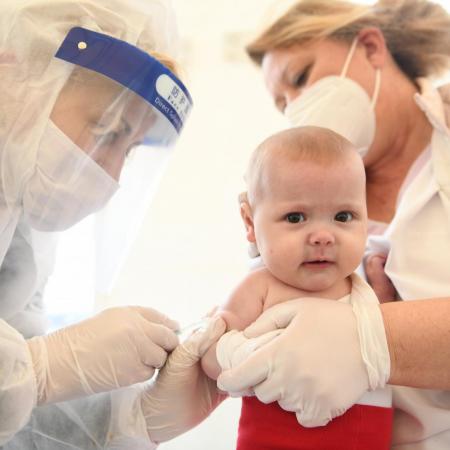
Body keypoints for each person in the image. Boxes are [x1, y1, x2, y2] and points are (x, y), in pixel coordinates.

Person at [210, 1, 450, 449]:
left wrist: (376, 338)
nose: (297, 107)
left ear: (371, 47)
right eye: (282, 103)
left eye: (301, 78)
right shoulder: (296, 201)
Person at [0, 0, 226, 448]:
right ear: (13, 76)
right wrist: (44, 367)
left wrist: (129, 418)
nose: (112, 175)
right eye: (105, 131)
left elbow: (17, 423)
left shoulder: (21, 232)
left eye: (131, 148)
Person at [201, 126, 393, 449]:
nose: (322, 236)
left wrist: (384, 296)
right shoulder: (260, 287)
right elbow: (211, 355)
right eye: (295, 218)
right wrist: (245, 353)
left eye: (343, 216)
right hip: (275, 437)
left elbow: (387, 337)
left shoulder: (363, 287)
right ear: (250, 223)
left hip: (365, 434)